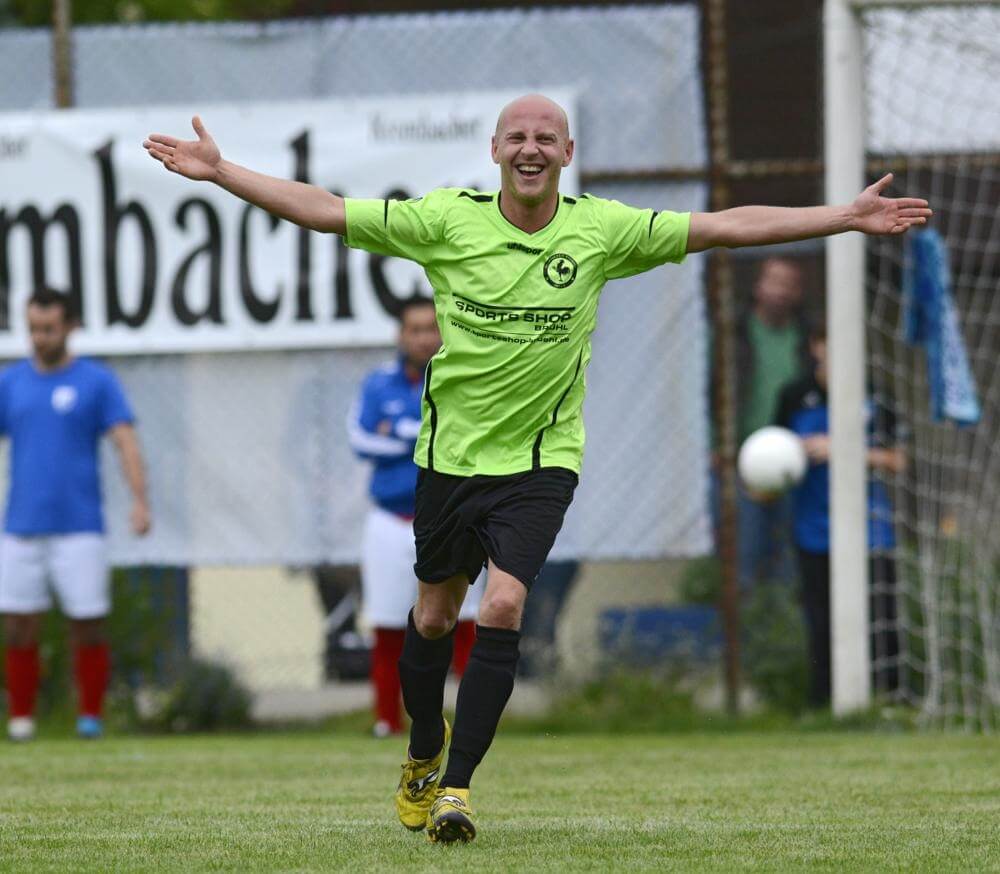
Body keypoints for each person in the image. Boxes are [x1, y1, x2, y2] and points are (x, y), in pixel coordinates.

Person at [144, 93, 930, 842]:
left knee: (505, 605)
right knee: (430, 619)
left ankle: (457, 786)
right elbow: (324, 209)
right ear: (495, 150)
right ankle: (423, 747)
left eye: (545, 138)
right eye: (516, 137)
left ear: (567, 153)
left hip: (540, 463)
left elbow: (724, 225)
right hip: (449, 460)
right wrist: (223, 173)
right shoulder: (446, 220)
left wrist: (843, 217)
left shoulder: (602, 231)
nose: (530, 148)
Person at [1, 289, 151, 742]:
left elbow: (124, 441)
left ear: (70, 327)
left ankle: (90, 717)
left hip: (80, 524)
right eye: (33, 329)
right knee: (18, 623)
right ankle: (23, 719)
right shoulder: (11, 383)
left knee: (87, 621)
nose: (40, 338)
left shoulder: (96, 382)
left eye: (48, 328)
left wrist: (140, 500)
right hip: (21, 525)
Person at [347, 297, 479, 737]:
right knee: (388, 623)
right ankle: (387, 719)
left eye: (431, 328)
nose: (424, 337)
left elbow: (470, 437)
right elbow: (362, 439)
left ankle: (473, 719)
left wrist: (403, 432)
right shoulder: (378, 384)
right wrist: (422, 435)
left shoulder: (463, 375)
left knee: (462, 621)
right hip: (391, 519)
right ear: (400, 335)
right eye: (415, 329)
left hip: (449, 518)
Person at [774, 322, 905, 708]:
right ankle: (824, 705)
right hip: (814, 529)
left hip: (870, 529)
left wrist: (842, 448)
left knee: (882, 619)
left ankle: (892, 701)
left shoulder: (876, 395)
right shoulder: (795, 396)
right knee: (821, 622)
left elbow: (898, 460)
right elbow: (773, 453)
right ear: (817, 346)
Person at [735, 258, 811, 590]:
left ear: (799, 293)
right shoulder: (733, 333)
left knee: (791, 559)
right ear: (758, 287)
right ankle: (747, 631)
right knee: (745, 552)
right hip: (738, 459)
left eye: (789, 284)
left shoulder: (808, 340)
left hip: (797, 458)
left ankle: (786, 632)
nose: (780, 291)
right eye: (774, 282)